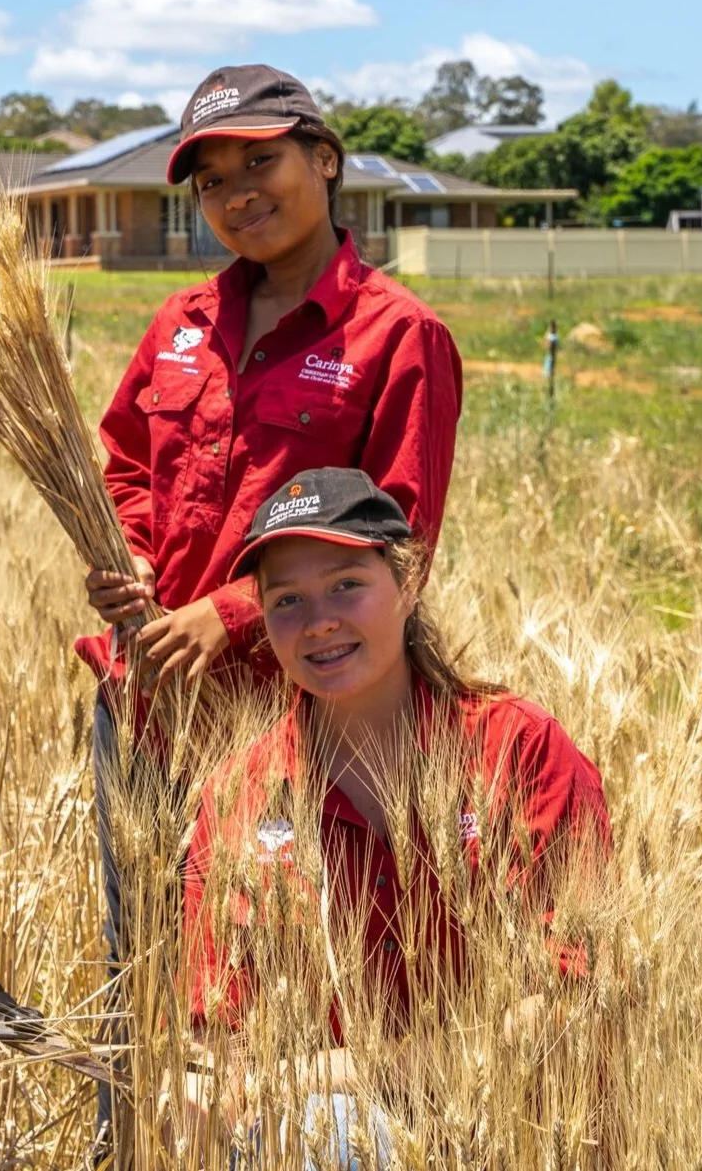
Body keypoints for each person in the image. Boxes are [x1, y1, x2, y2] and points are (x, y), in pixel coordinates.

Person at [75, 63, 465, 1145]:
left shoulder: (396, 337)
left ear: (323, 160)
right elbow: (120, 461)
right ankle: (140, 1150)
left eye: (261, 161)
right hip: (147, 702)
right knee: (141, 970)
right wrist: (132, 568)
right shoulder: (180, 323)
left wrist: (232, 614)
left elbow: (400, 533)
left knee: (278, 978)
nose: (237, 192)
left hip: (293, 719)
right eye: (209, 179)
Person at [180, 468, 613, 1166]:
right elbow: (217, 1033)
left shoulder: (518, 750)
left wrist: (328, 1073)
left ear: (409, 584)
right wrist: (201, 1094)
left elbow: (569, 1003)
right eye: (286, 598)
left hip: (519, 1139)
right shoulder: (240, 793)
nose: (319, 619)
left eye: (347, 583)